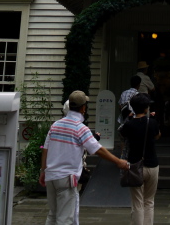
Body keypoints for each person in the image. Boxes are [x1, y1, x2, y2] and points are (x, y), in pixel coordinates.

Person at [39, 90, 130, 225]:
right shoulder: (80, 128)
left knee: (52, 215)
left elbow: (46, 149)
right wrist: (118, 161)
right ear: (83, 108)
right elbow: (97, 149)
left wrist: (43, 171)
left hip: (51, 175)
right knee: (65, 219)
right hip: (66, 178)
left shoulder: (55, 125)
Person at [119, 93, 161, 225]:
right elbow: (157, 136)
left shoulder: (130, 125)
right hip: (152, 165)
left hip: (135, 166)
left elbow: (122, 135)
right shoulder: (152, 123)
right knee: (149, 201)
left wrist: (128, 118)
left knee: (137, 203)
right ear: (145, 108)